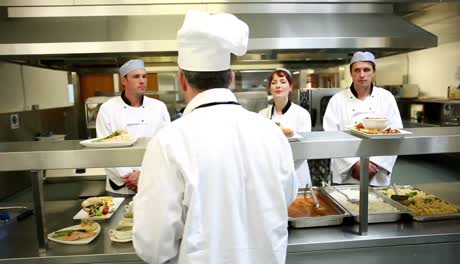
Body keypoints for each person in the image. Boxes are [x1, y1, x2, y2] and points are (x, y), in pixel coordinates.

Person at [133, 10, 298, 264]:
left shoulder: (169, 142)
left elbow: (153, 246)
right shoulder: (271, 133)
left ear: (182, 80)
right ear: (231, 79)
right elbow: (286, 197)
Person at [323, 51, 403, 186]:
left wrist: (374, 164)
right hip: (346, 174)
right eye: (357, 70)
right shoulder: (336, 100)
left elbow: (396, 134)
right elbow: (330, 137)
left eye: (366, 70)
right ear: (351, 73)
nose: (362, 75)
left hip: (377, 173)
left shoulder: (386, 98)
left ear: (373, 72)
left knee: (378, 207)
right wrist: (354, 165)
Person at [95, 59, 170, 194]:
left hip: (151, 182)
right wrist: (129, 177)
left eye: (144, 76)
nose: (142, 81)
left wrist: (143, 175)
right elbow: (104, 150)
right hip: (121, 187)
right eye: (136, 76)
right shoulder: (107, 109)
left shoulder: (159, 107)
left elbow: (165, 146)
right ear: (124, 81)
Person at [259, 68, 312, 187]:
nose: (278, 85)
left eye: (283, 82)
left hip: (297, 176)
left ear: (291, 87)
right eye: (274, 83)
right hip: (271, 177)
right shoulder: (262, 115)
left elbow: (302, 150)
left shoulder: (302, 114)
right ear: (270, 88)